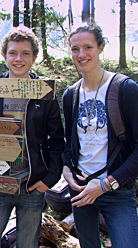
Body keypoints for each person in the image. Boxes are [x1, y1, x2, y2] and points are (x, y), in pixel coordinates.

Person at [62, 22, 138, 248]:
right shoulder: (70, 95)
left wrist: (106, 184)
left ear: (100, 47)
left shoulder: (125, 89)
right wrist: (67, 169)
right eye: (75, 49)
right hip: (81, 188)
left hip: (117, 190)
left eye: (88, 47)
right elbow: (69, 145)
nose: (81, 54)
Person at [0, 26, 65, 248]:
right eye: (13, 53)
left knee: (27, 244)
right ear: (4, 56)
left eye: (25, 53)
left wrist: (49, 180)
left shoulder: (44, 92)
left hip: (31, 184)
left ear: (34, 57)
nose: (18, 59)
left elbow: (57, 140)